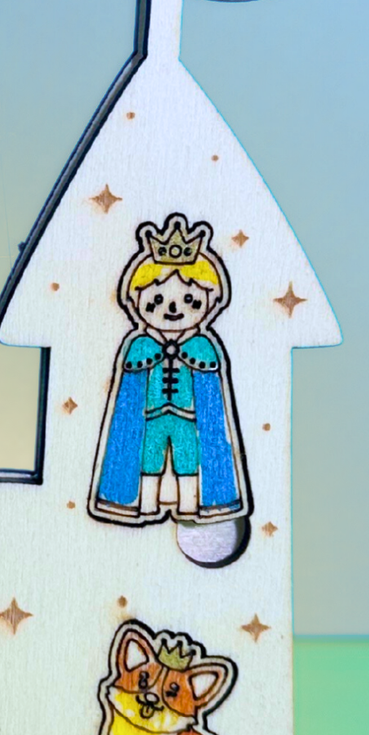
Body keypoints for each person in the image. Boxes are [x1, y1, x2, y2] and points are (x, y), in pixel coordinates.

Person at [91, 214, 249, 527]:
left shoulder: (202, 345)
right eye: (158, 299)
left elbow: (210, 386)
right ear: (136, 301)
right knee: (147, 460)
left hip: (187, 418)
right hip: (150, 417)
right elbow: (131, 382)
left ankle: (190, 505)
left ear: (210, 301)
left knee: (188, 459)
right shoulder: (140, 345)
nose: (173, 308)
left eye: (190, 299)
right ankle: (144, 504)